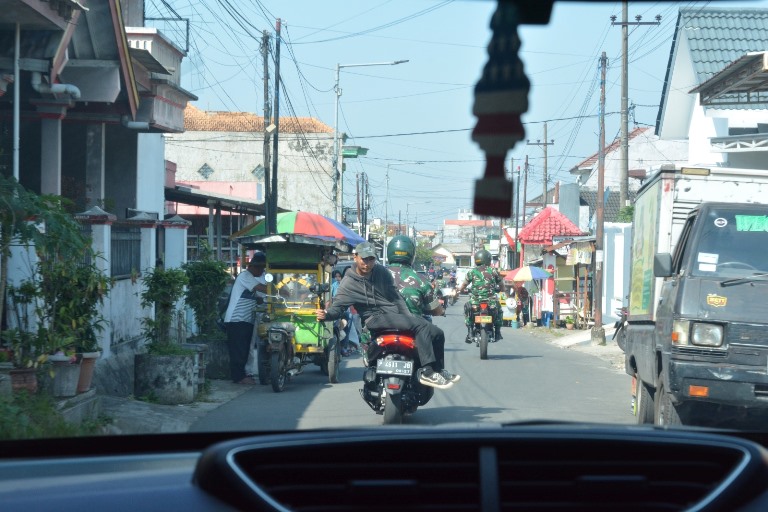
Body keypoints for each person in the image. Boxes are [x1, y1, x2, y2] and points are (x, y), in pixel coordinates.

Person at [316, 241, 459, 390]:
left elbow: (396, 297)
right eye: (364, 259)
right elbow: (337, 308)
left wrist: (409, 317)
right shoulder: (348, 283)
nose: (368, 263)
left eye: (371, 259)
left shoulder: (381, 272)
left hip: (394, 315)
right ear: (355, 257)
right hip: (375, 319)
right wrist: (326, 315)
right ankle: (427, 372)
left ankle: (438, 370)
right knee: (421, 326)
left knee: (436, 332)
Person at [223, 252, 267, 384]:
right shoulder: (245, 276)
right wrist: (280, 290)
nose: (262, 271)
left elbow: (257, 296)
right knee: (239, 349)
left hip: (245, 319)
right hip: (237, 319)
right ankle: (239, 377)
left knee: (244, 348)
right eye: (261, 268)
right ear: (255, 267)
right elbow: (261, 288)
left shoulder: (251, 278)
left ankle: (243, 375)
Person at [386, 235, 446, 320]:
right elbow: (434, 308)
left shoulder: (376, 275)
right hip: (413, 328)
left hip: (379, 327)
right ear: (412, 255)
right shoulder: (421, 280)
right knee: (438, 333)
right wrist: (441, 311)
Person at [456, 249, 504, 342]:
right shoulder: (493, 271)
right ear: (488, 259)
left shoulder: (472, 272)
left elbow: (464, 284)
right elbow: (501, 284)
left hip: (475, 300)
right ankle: (497, 332)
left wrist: (460, 290)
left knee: (467, 310)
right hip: (491, 301)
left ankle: (470, 332)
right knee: (499, 311)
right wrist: (503, 290)